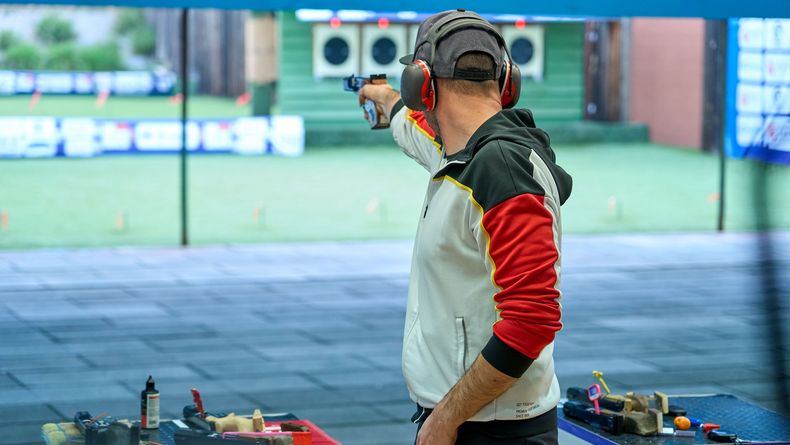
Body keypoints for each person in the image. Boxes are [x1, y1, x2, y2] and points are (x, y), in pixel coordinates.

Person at [358, 9, 573, 445]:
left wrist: (444, 419)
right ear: (507, 81)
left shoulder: (500, 171)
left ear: (422, 85)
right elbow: (416, 129)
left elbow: (532, 318)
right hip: (473, 422)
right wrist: (383, 99)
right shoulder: (466, 157)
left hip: (486, 430)